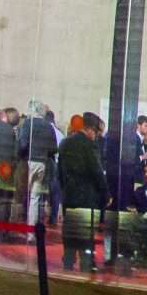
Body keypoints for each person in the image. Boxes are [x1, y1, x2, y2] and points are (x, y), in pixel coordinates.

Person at [56, 113, 107, 272]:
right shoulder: (89, 146)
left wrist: (65, 188)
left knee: (69, 229)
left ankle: (68, 260)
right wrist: (105, 193)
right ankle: (86, 262)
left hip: (69, 193)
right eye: (97, 132)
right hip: (87, 195)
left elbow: (60, 172)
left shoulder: (65, 143)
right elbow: (96, 171)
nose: (97, 136)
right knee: (86, 231)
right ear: (90, 129)